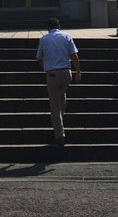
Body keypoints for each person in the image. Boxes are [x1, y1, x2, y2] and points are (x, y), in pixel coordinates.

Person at [35, 17, 81, 146]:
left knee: (55, 105)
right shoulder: (67, 36)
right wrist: (78, 71)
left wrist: (46, 68)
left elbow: (39, 58)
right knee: (62, 97)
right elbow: (74, 55)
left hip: (52, 74)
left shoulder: (44, 39)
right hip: (66, 73)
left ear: (48, 28)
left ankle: (59, 135)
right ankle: (60, 124)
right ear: (59, 26)